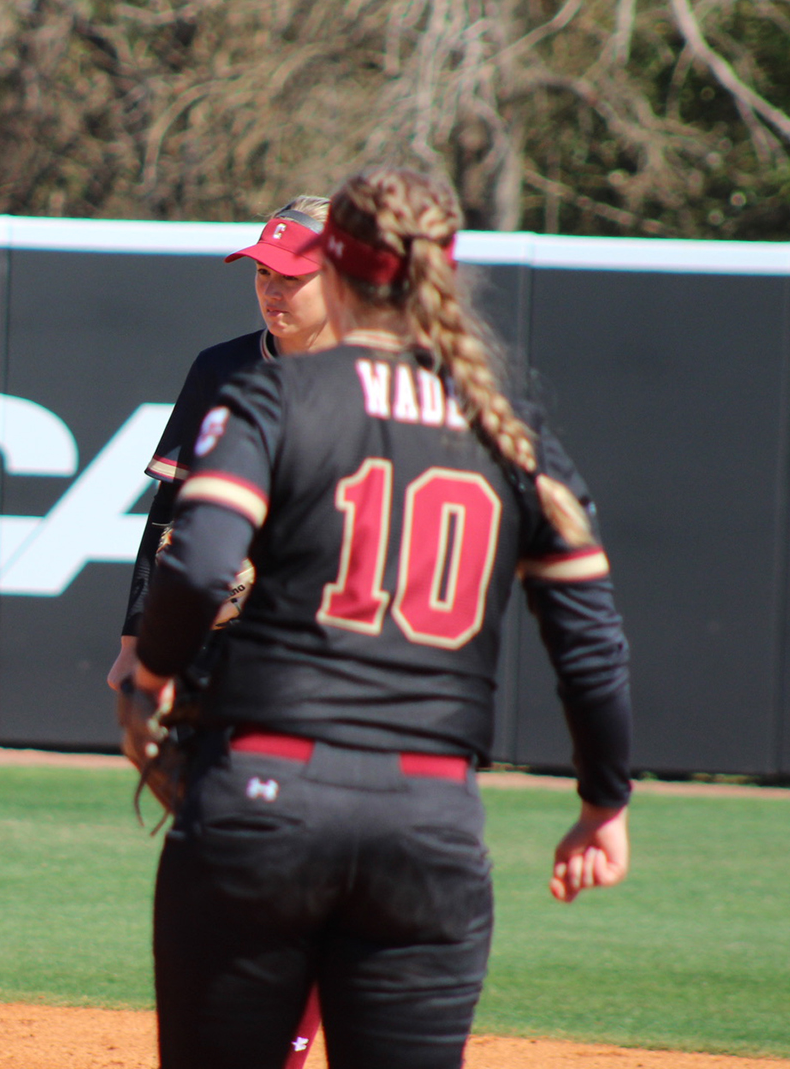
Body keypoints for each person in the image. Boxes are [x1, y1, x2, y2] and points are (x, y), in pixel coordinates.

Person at [124, 166, 632, 1068]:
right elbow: (588, 639)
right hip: (427, 819)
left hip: (264, 794)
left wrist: (149, 682)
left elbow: (196, 565)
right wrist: (603, 801)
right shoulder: (507, 421)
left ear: (341, 271)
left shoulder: (274, 395)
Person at [106, 196, 339, 692]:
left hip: (334, 650)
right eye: (262, 273)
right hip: (219, 652)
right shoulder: (221, 369)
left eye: (292, 278)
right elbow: (170, 505)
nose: (272, 292)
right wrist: (135, 641)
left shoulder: (379, 383)